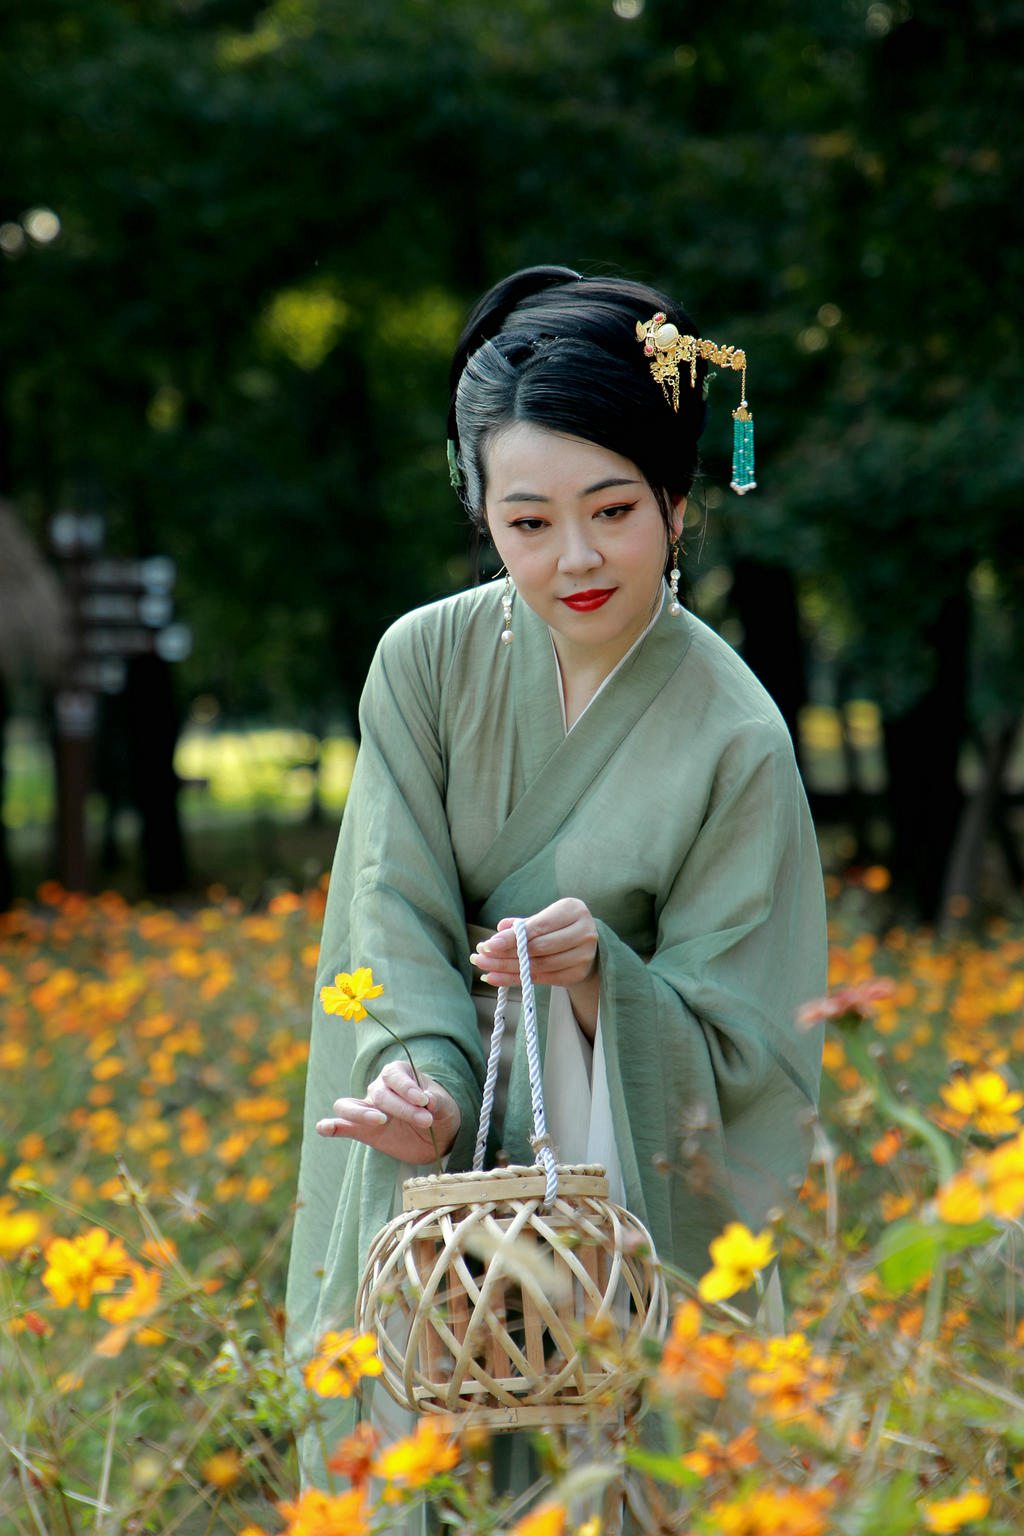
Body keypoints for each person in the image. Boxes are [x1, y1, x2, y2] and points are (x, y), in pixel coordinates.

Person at [285, 265, 828, 1510]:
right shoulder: (421, 665)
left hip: (612, 1188)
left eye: (613, 510)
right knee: (427, 1466)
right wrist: (418, 1080)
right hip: (437, 1155)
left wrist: (601, 986)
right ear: (481, 512)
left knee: (609, 1482)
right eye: (528, 522)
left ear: (677, 502)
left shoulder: (735, 735)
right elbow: (389, 910)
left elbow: (744, 1038)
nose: (574, 558)